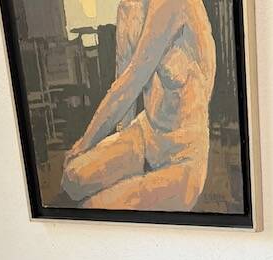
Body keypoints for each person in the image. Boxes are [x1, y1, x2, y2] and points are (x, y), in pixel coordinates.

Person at [61, 0, 216, 211]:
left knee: (93, 207)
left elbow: (130, 85)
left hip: (183, 155)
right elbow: (122, 82)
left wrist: (84, 143)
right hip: (146, 134)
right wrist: (120, 153)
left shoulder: (172, 4)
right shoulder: (128, 7)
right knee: (73, 178)